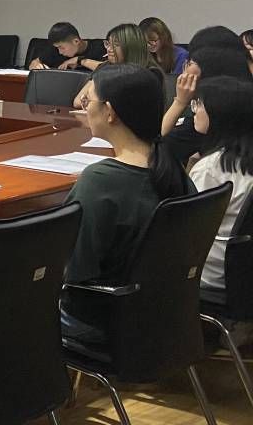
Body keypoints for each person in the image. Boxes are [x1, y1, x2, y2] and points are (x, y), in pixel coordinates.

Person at [62, 64, 194, 345]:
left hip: (102, 318)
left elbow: (75, 270)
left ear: (110, 112)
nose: (85, 107)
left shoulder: (99, 181)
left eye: (88, 101)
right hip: (165, 312)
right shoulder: (175, 169)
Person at [188, 76, 253, 292]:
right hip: (242, 269)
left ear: (221, 114)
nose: (194, 110)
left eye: (199, 104)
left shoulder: (211, 169)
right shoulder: (239, 161)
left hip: (212, 271)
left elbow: (187, 228)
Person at [160, 43, 253, 165]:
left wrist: (180, 102)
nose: (184, 71)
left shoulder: (204, 121)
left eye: (190, 63)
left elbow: (158, 145)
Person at [72, 23, 161, 109]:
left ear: (131, 47)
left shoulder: (150, 74)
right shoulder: (105, 67)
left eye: (116, 45)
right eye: (108, 44)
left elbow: (126, 107)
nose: (109, 49)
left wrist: (94, 103)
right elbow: (78, 101)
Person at [28, 22, 106, 71]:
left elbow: (109, 70)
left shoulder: (100, 47)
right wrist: (36, 66)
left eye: (62, 47)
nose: (60, 52)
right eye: (57, 48)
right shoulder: (55, 49)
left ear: (76, 41)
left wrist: (79, 60)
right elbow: (35, 62)